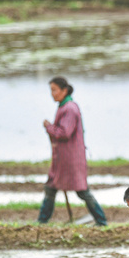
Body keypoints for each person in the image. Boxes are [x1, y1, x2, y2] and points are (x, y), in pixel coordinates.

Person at [38, 76, 107, 226]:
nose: (52, 94)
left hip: (70, 159)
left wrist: (49, 127)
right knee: (51, 187)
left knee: (81, 190)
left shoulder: (69, 108)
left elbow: (64, 133)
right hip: (63, 158)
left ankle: (101, 221)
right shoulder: (64, 106)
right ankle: (42, 221)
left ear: (64, 90)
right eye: (51, 90)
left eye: (55, 90)